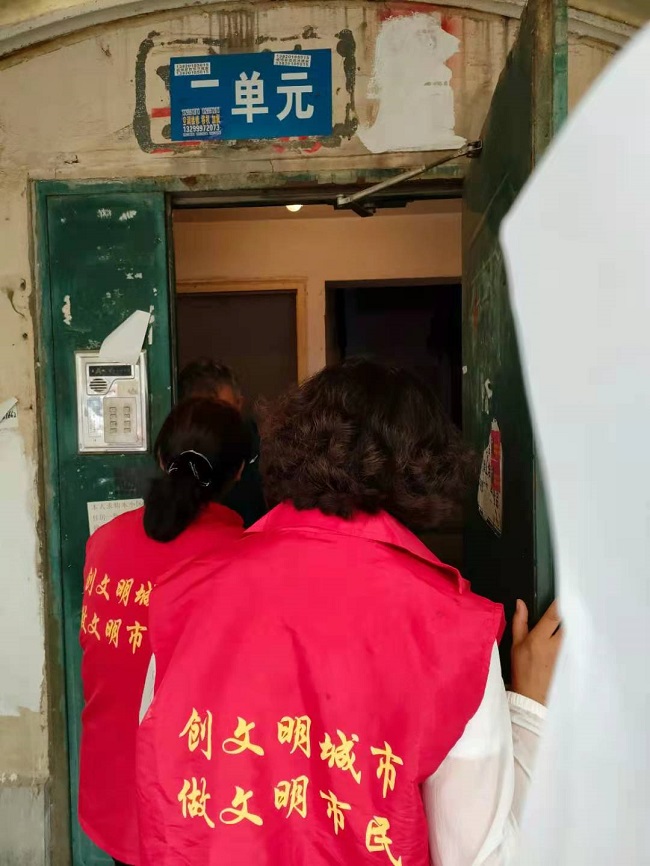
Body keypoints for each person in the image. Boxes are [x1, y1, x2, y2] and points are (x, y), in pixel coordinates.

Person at [136, 359, 560, 866]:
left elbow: (161, 777)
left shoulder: (184, 596)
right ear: (426, 470)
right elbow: (481, 857)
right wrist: (527, 713)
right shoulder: (452, 631)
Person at [78, 397, 250, 866]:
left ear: (159, 457)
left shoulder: (104, 542)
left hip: (116, 788)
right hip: (197, 796)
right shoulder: (244, 560)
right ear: (239, 473)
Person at [178, 359, 267, 527]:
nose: (217, 423)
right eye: (205, 414)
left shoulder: (266, 453)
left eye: (224, 411)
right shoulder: (177, 457)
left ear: (239, 404)